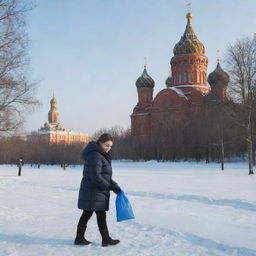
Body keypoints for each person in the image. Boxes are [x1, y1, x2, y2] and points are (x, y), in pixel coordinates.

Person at [74, 133, 121, 247]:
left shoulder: (100, 154)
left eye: (110, 146)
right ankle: (104, 239)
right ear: (100, 142)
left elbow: (105, 176)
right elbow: (96, 176)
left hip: (95, 190)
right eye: (106, 145)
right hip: (93, 191)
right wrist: (107, 186)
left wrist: (114, 186)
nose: (108, 148)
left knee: (91, 214)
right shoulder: (96, 155)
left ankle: (88, 238)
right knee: (92, 214)